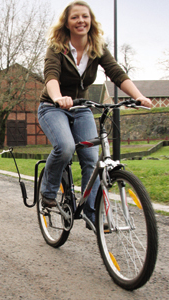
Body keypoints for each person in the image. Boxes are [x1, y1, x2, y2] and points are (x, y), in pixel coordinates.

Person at [38, 0, 152, 228]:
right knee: (66, 147)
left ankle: (91, 211)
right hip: (53, 107)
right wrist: (58, 96)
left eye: (85, 16)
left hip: (82, 109)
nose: (81, 21)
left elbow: (117, 74)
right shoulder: (57, 47)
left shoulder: (96, 48)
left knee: (91, 158)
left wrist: (139, 96)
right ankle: (48, 191)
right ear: (67, 23)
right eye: (75, 17)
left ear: (91, 21)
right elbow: (51, 76)